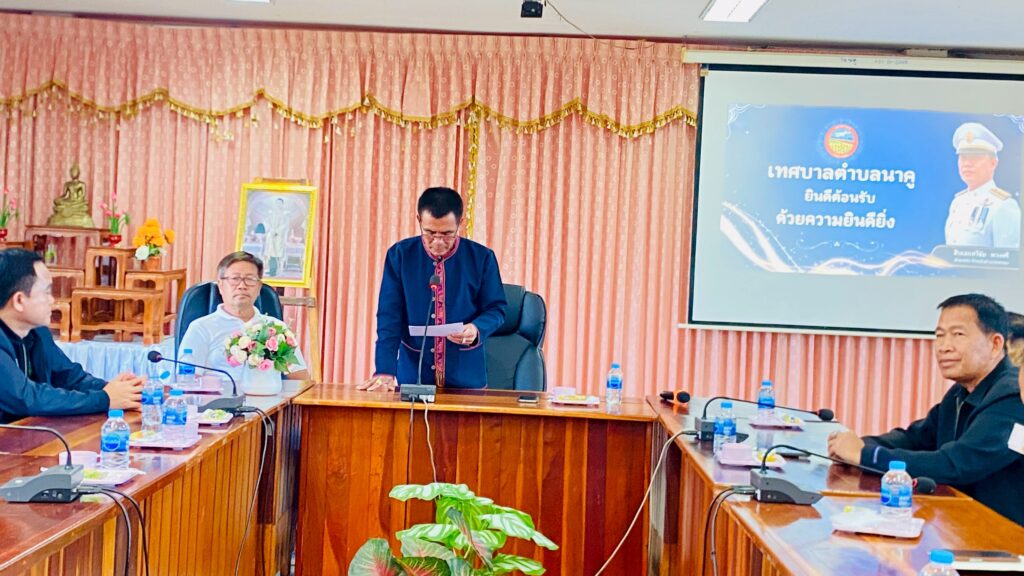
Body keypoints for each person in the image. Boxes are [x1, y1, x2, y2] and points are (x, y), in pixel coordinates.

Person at [828, 293, 1024, 525]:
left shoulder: (1012, 396)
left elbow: (957, 464)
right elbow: (915, 438)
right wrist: (857, 446)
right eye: (939, 336)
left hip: (1003, 534)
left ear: (995, 344)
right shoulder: (961, 391)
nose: (944, 347)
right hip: (960, 523)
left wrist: (866, 455)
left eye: (958, 335)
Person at [361, 187, 507, 391]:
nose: (438, 242)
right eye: (429, 233)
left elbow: (497, 309)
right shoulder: (400, 255)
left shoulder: (481, 258)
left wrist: (476, 328)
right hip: (414, 374)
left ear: (460, 223)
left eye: (447, 234)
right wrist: (385, 370)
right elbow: (389, 317)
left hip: (466, 377)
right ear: (419, 220)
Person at [0, 249, 143, 422]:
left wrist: (121, 391)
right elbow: (27, 398)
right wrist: (105, 398)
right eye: (46, 292)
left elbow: (70, 377)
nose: (52, 300)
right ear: (19, 300)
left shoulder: (37, 332)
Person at [178, 251, 309, 382]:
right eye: (235, 279)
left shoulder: (276, 328)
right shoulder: (201, 328)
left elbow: (301, 381)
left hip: (267, 394)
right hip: (219, 394)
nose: (242, 286)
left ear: (259, 287)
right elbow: (186, 380)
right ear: (221, 285)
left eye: (250, 279)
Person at [944, 122, 1021, 249]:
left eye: (975, 157)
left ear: (993, 163)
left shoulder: (1004, 206)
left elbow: (1008, 258)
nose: (967, 164)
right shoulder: (957, 203)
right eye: (963, 157)